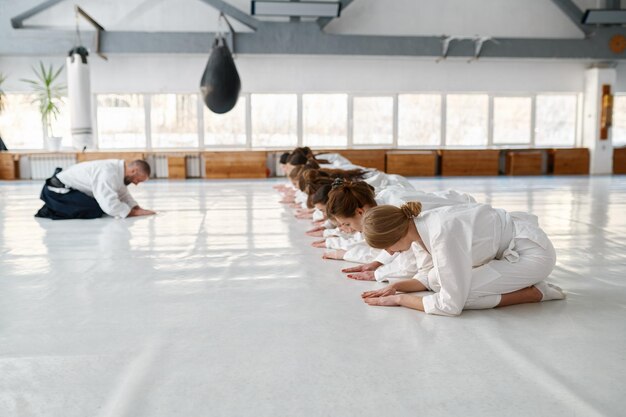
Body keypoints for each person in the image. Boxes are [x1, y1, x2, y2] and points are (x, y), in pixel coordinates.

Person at [360, 202, 565, 316]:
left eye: (386, 246)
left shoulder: (440, 235)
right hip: (512, 250)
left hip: (532, 256)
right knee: (435, 280)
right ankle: (519, 282)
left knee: (465, 296)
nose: (390, 252)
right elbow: (429, 276)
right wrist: (397, 286)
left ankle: (536, 293)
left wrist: (399, 299)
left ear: (396, 235)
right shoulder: (419, 226)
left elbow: (450, 306)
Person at [35, 159, 156, 220]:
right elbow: (109, 206)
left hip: (70, 189)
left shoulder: (120, 172)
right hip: (56, 191)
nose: (136, 184)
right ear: (133, 171)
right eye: (138, 180)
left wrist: (136, 207)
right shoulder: (108, 172)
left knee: (98, 204)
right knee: (96, 209)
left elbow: (122, 193)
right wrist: (133, 213)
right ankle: (50, 209)